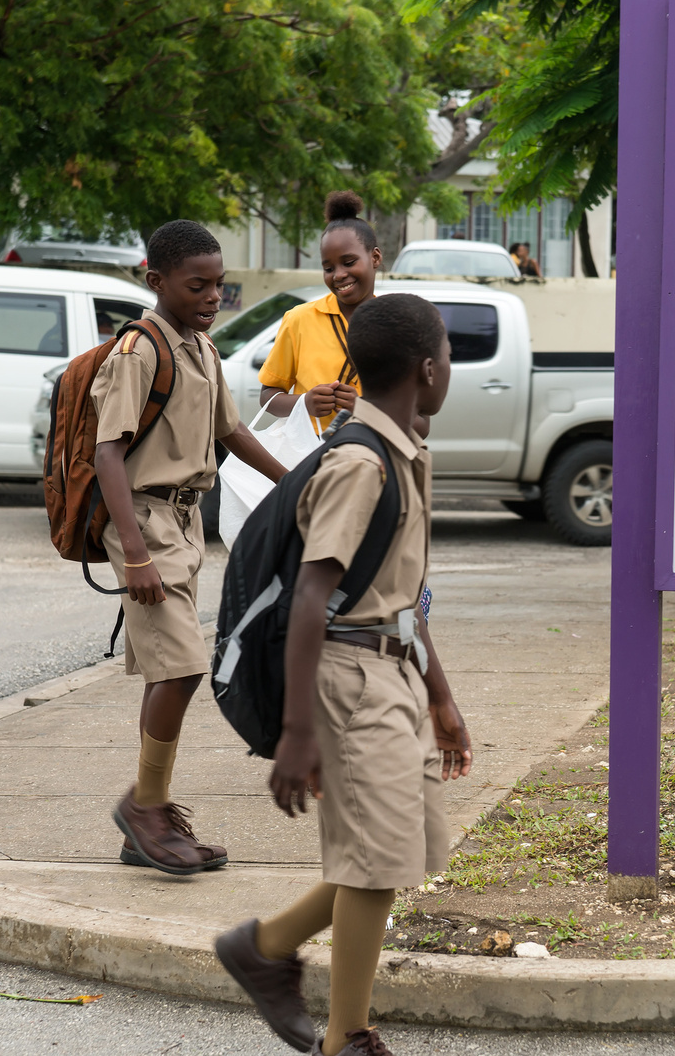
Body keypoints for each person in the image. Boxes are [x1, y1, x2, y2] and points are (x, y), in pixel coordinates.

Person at [215, 294, 473, 1056]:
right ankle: (347, 1036)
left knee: (395, 850)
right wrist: (296, 731)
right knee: (375, 856)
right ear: (428, 369)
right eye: (449, 354)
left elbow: (397, 593)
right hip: (349, 675)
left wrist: (443, 697)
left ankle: (263, 947)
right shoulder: (361, 462)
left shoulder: (401, 451)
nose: (449, 366)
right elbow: (311, 596)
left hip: (391, 667)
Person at [96, 220, 288, 875]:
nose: (212, 296)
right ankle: (144, 807)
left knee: (171, 667)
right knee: (179, 666)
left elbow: (232, 434)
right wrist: (135, 551)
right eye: (196, 284)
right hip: (145, 522)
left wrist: (298, 485)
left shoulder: (201, 349)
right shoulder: (140, 349)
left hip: (184, 522)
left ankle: (144, 819)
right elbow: (107, 453)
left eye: (219, 284)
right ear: (157, 281)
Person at [258, 191, 380, 435]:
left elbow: (418, 422)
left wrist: (364, 409)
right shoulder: (299, 320)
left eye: (348, 262)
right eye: (328, 267)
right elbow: (268, 397)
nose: (338, 275)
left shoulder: (395, 324)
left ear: (375, 258)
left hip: (371, 455)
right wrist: (303, 403)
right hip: (310, 457)